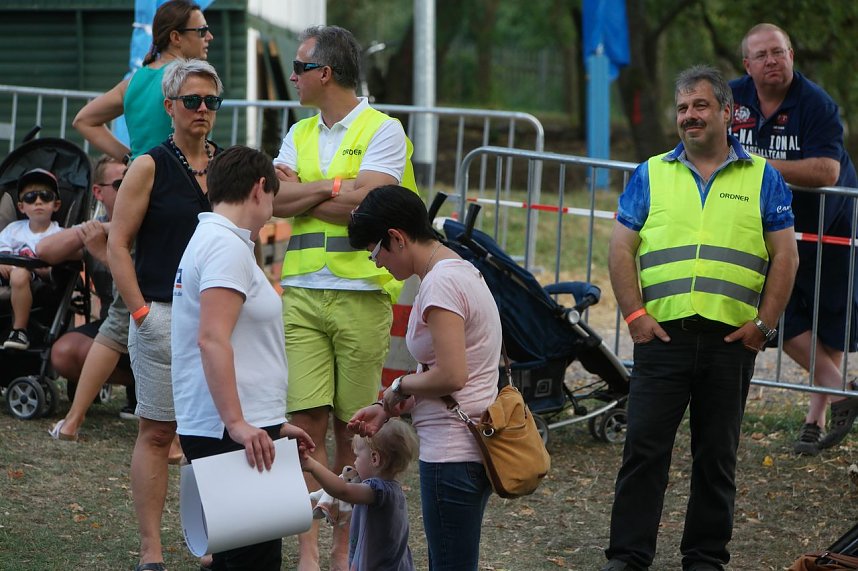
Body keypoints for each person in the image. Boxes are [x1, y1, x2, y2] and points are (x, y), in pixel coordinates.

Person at [601, 65, 799, 571]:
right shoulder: (650, 173)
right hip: (661, 338)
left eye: (701, 106)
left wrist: (765, 326)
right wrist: (635, 315)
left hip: (730, 343)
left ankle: (706, 558)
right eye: (683, 108)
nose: (689, 116)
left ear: (728, 113)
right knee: (644, 454)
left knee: (716, 459)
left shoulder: (763, 178)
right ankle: (627, 557)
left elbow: (786, 257)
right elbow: (621, 249)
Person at [271, 24, 418, 571]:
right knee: (302, 426)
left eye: (299, 67)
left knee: (351, 429)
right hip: (304, 293)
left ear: (324, 72)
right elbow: (275, 200)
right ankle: (309, 552)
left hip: (360, 292)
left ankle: (342, 553)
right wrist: (339, 189)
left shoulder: (385, 129)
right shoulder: (299, 131)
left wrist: (307, 194)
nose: (292, 77)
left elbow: (371, 207)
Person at [171, 145, 314, 570]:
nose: (273, 206)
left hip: (237, 423)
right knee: (252, 562)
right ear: (258, 189)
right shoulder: (226, 247)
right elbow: (212, 339)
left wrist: (273, 422)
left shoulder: (217, 240)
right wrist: (238, 422)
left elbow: (240, 342)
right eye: (273, 194)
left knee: (242, 556)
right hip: (229, 429)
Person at [107, 58, 222, 571]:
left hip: (220, 321)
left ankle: (214, 538)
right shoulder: (149, 164)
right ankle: (151, 550)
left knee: (214, 435)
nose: (202, 110)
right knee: (157, 432)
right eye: (193, 101)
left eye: (211, 102)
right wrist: (139, 312)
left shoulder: (228, 166)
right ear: (170, 106)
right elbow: (117, 243)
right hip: (161, 314)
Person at [347, 185, 500, 571]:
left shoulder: (440, 284)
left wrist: (397, 387)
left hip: (451, 451)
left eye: (375, 252)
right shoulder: (459, 270)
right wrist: (387, 406)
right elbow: (440, 371)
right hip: (466, 447)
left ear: (396, 237)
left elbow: (451, 375)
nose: (378, 263)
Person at [730, 23, 858, 456]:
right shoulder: (730, 98)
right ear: (747, 65)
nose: (772, 60)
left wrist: (759, 165)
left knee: (830, 318)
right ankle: (842, 393)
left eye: (779, 52)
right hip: (767, 227)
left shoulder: (817, 105)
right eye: (762, 55)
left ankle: (816, 418)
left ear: (792, 56)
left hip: (830, 226)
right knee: (776, 310)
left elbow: (827, 172)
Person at [40, 156, 137, 441]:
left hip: (149, 324)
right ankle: (134, 384)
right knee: (64, 353)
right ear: (99, 192)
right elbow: (45, 250)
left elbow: (141, 282)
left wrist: (100, 252)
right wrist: (91, 231)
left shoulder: (147, 222)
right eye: (121, 183)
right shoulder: (98, 227)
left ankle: (146, 386)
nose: (129, 188)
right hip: (114, 329)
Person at [73, 0, 213, 164]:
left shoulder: (133, 81)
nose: (209, 37)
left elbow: (83, 121)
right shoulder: (189, 78)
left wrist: (130, 159)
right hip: (176, 181)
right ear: (175, 37)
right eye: (202, 31)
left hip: (137, 181)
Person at [300, 417, 418, 571]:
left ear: (375, 459)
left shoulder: (377, 490)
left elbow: (342, 490)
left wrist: (312, 466)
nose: (354, 462)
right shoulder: (393, 490)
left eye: (357, 456)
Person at [0, 168, 63, 350]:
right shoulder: (14, 228)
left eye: (45, 196)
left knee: (19, 274)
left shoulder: (59, 234)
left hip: (33, 279)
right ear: (21, 206)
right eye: (30, 197)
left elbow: (56, 269)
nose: (38, 202)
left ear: (56, 204)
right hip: (5, 271)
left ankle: (19, 330)